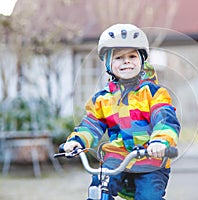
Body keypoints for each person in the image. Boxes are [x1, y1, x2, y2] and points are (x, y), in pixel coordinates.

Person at [63, 24, 180, 200]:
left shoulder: (154, 93)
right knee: (99, 186)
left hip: (150, 160)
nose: (126, 61)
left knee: (149, 196)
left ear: (142, 60)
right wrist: (77, 141)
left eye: (132, 56)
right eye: (119, 57)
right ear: (109, 64)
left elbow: (165, 119)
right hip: (117, 158)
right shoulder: (103, 98)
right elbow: (92, 125)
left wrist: (160, 141)